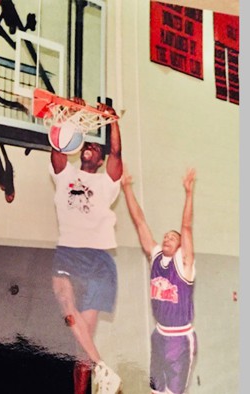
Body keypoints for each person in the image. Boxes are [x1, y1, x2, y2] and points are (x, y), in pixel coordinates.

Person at [49, 99, 122, 394]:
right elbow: (57, 149)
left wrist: (112, 120)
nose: (91, 147)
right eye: (87, 144)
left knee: (83, 343)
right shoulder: (65, 175)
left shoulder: (107, 182)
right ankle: (103, 368)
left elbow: (117, 151)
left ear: (101, 159)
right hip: (68, 252)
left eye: (97, 147)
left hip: (99, 260)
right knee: (67, 310)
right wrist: (71, 117)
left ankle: (90, 381)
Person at [121, 168, 198, 394]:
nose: (167, 238)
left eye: (173, 238)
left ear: (180, 246)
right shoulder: (155, 257)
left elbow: (186, 227)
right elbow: (140, 222)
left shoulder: (183, 265)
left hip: (180, 340)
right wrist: (126, 188)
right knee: (155, 390)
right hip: (159, 335)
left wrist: (188, 193)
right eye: (165, 235)